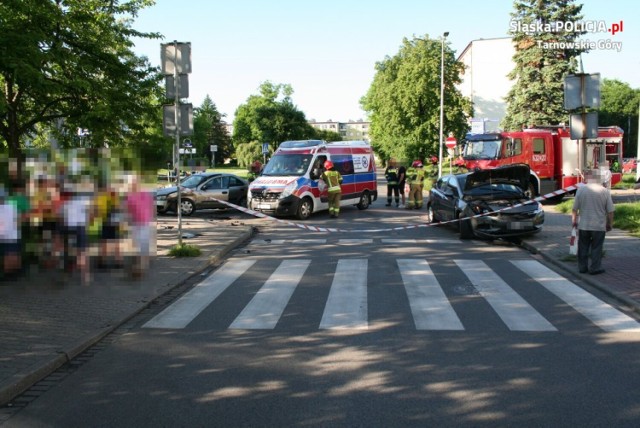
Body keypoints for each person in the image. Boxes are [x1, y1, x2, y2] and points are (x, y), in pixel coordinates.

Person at [571, 169, 615, 275]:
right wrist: (610, 224)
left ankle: (582, 268)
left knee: (583, 247)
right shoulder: (604, 191)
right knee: (596, 247)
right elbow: (610, 211)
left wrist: (574, 222)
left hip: (584, 225)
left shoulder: (581, 190)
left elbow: (574, 209)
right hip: (599, 226)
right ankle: (595, 268)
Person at [125, 175, 154, 279]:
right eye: (131, 183)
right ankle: (139, 266)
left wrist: (152, 219)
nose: (133, 185)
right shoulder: (130, 196)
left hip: (145, 223)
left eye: (134, 183)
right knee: (138, 245)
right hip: (136, 224)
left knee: (143, 245)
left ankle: (141, 267)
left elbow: (151, 207)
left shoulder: (145, 194)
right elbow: (128, 211)